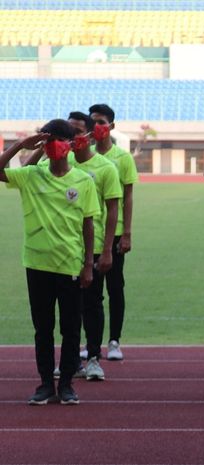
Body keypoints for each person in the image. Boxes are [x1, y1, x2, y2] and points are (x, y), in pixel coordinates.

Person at [1, 120, 100, 405]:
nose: (54, 145)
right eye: (49, 140)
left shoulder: (83, 181)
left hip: (70, 264)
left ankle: (67, 384)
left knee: (70, 328)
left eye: (59, 139)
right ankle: (46, 383)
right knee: (42, 328)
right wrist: (20, 145)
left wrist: (87, 265)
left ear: (70, 144)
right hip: (37, 263)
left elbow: (88, 224)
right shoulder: (31, 175)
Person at [24, 112, 122, 381]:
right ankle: (72, 365)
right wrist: (33, 148)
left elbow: (111, 208)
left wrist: (105, 250)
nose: (75, 136)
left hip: (85, 250)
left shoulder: (103, 169)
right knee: (62, 318)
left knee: (91, 305)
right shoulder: (42, 172)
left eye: (79, 131)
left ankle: (93, 356)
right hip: (52, 256)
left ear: (85, 135)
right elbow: (23, 171)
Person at [89, 104, 138, 361]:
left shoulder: (122, 158)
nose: (97, 126)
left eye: (102, 122)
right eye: (93, 122)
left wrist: (127, 232)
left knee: (115, 286)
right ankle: (92, 342)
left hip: (115, 232)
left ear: (112, 126)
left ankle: (114, 341)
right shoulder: (81, 157)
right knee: (91, 291)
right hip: (89, 234)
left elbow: (128, 197)